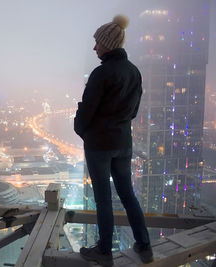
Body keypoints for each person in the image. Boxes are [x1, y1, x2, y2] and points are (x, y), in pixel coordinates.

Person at [74, 15, 153, 266]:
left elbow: (87, 111)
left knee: (103, 198)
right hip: (123, 143)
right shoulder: (134, 72)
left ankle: (104, 251)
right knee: (127, 193)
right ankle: (144, 244)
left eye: (97, 42)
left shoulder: (101, 73)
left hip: (99, 145)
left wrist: (82, 130)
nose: (94, 47)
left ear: (108, 44)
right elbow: (133, 112)